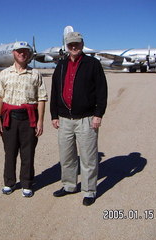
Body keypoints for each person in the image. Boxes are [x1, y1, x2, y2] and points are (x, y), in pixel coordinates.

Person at [50, 32, 107, 206]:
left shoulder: (93, 64)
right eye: (70, 44)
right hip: (65, 119)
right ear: (66, 46)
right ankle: (69, 186)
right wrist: (54, 115)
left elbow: (101, 91)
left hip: (87, 119)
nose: (73, 47)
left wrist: (98, 114)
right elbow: (54, 91)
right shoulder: (60, 65)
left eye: (76, 44)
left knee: (88, 157)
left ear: (82, 44)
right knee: (66, 155)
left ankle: (89, 190)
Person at [0, 41, 48, 198]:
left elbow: (42, 98)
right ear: (13, 53)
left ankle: (27, 183)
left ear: (29, 55)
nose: (22, 54)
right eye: (19, 51)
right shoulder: (4, 74)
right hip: (9, 118)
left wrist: (40, 121)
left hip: (29, 118)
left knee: (28, 152)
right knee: (9, 152)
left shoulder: (36, 74)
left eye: (25, 51)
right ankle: (9, 182)